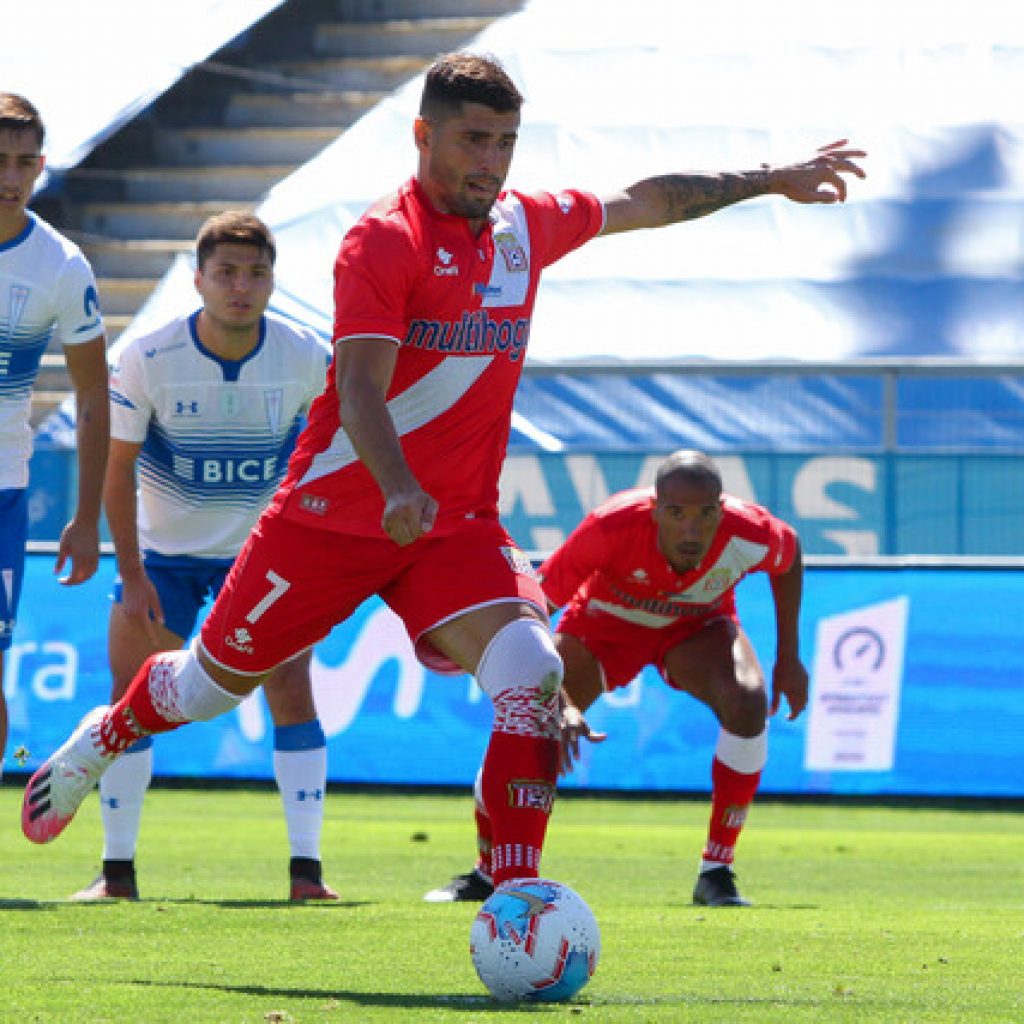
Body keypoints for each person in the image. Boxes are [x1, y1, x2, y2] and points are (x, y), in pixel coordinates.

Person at [22, 54, 863, 903]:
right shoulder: (384, 240)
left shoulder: (523, 227)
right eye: (472, 140)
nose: (491, 162)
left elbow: (644, 201)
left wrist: (771, 180)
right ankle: (108, 732)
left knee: (533, 678)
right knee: (207, 686)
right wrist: (394, 487)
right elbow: (356, 388)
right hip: (332, 519)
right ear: (424, 134)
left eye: (505, 142)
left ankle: (517, 900)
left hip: (453, 528)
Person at [70, 212, 338, 903]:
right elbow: (116, 468)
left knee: (290, 689)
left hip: (263, 560)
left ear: (273, 281)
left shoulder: (308, 355)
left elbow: (342, 447)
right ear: (198, 279)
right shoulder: (149, 356)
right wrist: (130, 575)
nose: (241, 287)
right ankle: (117, 874)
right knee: (129, 702)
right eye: (226, 273)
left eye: (256, 274)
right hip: (165, 564)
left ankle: (307, 875)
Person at [425, 450, 808, 907]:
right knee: (530, 721)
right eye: (676, 513)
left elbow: (789, 557)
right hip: (602, 630)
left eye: (705, 514)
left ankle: (717, 872)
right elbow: (536, 607)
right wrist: (560, 697)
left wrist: (789, 658)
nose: (692, 528)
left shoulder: (749, 530)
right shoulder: (611, 526)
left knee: (748, 703)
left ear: (721, 510)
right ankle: (486, 873)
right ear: (655, 508)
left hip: (695, 629)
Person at [0, 94, 109, 780]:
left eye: (22, 162)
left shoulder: (61, 267)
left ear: (41, 168)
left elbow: (95, 396)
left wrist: (86, 513)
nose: (9, 176)